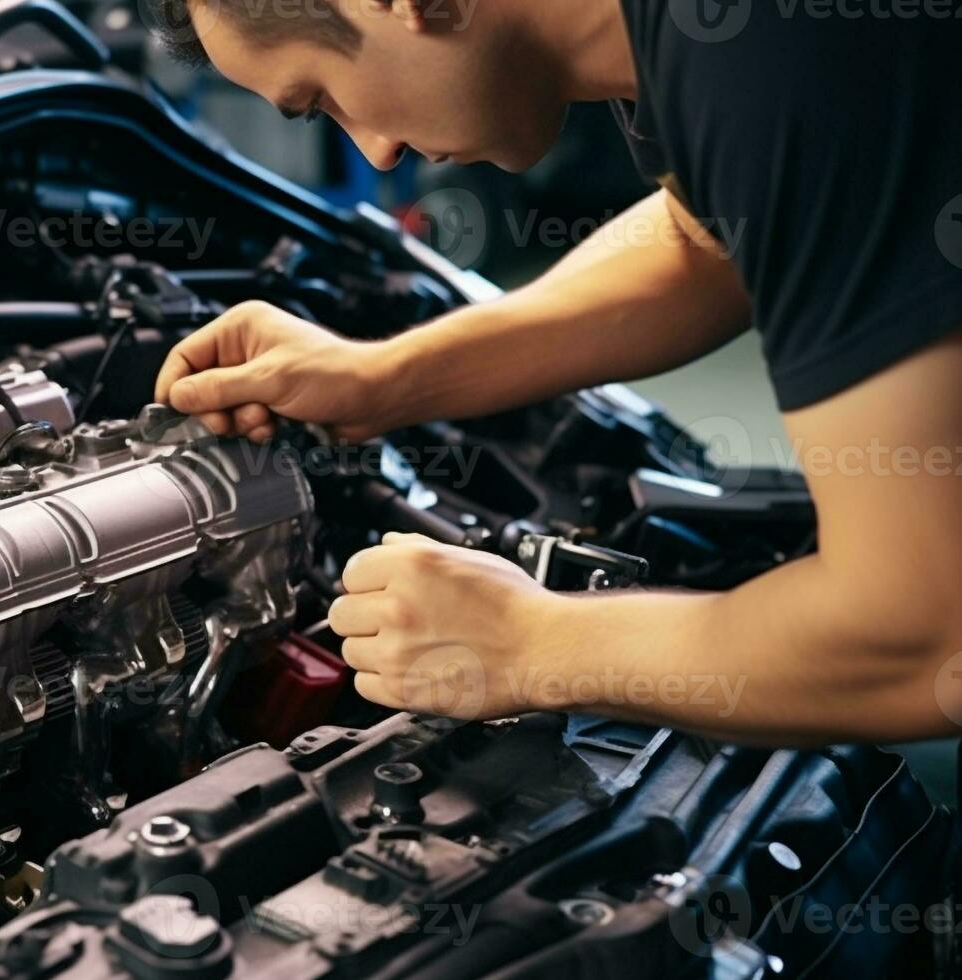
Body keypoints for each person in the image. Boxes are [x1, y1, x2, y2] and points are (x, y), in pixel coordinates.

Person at [148, 0, 962, 743]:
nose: (377, 147)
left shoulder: (778, 58)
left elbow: (921, 639)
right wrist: (383, 378)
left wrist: (529, 643)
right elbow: (707, 242)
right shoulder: (692, 45)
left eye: (322, 96)